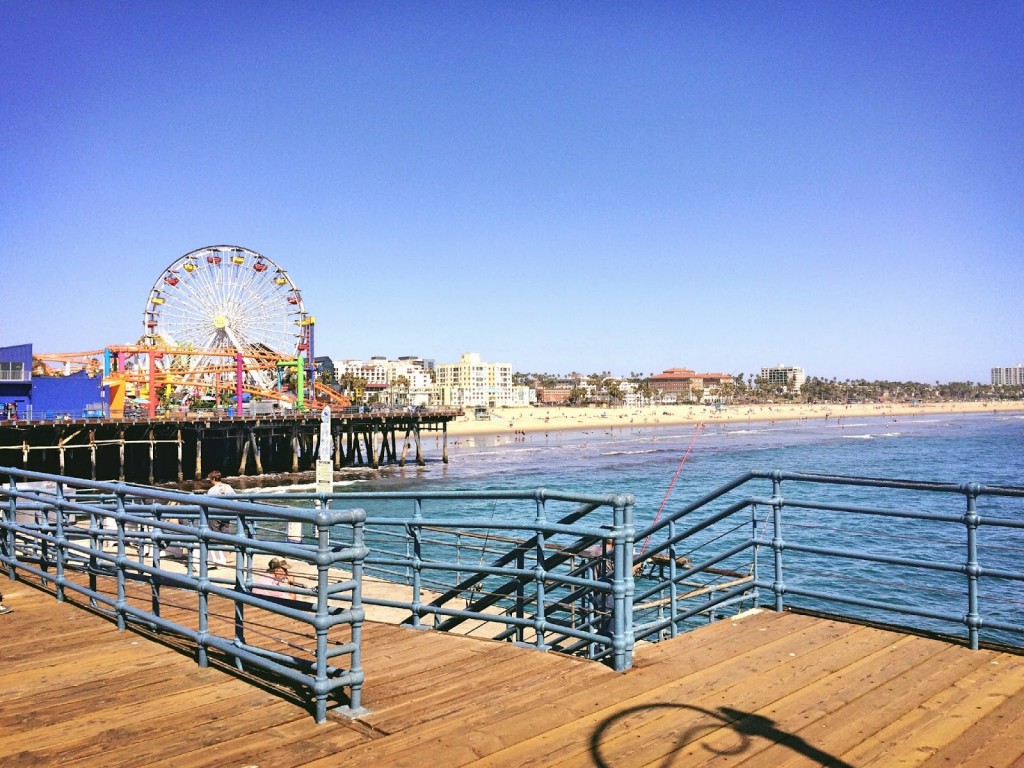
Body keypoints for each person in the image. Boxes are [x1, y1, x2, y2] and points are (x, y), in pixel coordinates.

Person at [205, 470, 234, 566]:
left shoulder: (212, 490)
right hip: (227, 513)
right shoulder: (228, 487)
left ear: (213, 479)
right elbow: (235, 499)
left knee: (215, 534)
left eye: (210, 479)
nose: (210, 481)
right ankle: (228, 556)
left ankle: (219, 557)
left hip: (215, 514)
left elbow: (207, 503)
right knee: (226, 534)